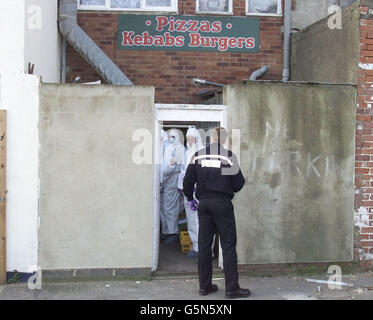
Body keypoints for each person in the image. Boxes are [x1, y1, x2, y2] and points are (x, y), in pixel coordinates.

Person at [183, 127, 251, 299]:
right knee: (227, 246)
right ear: (224, 140)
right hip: (222, 204)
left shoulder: (197, 156)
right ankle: (231, 289)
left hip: (204, 204)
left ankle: (204, 287)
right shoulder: (227, 156)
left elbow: (188, 181)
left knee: (204, 246)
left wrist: (191, 198)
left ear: (210, 139)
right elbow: (238, 184)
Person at [178, 128, 204, 259]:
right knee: (191, 221)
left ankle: (203, 250)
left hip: (197, 192)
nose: (189, 141)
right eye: (188, 139)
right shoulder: (187, 152)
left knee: (199, 220)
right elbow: (182, 172)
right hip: (188, 192)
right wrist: (181, 186)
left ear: (197, 139)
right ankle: (195, 246)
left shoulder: (201, 153)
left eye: (191, 139)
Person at [161, 128, 185, 245]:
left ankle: (173, 233)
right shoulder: (171, 148)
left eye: (173, 136)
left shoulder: (178, 149)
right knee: (165, 208)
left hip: (172, 182)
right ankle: (166, 231)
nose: (171, 139)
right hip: (169, 182)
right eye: (170, 136)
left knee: (170, 208)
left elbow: (168, 169)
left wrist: (161, 179)